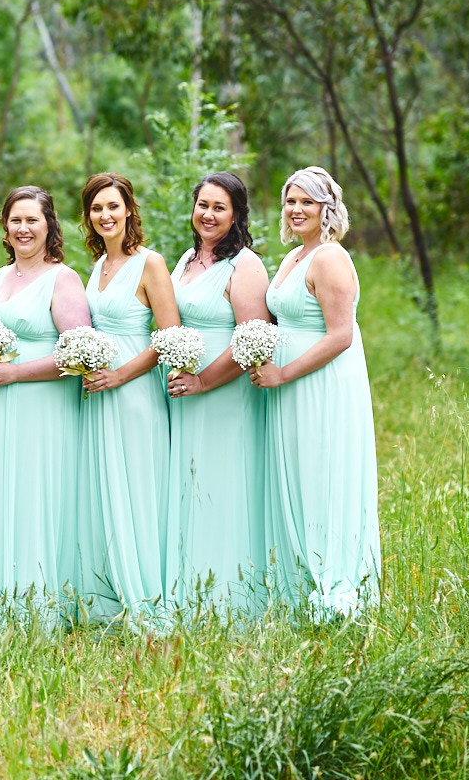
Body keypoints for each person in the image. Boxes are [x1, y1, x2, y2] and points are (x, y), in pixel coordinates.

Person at [0, 186, 90, 618]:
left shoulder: (62, 278)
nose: (24, 228)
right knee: (0, 491)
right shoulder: (1, 277)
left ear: (49, 225)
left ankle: (40, 604)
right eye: (15, 220)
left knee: (34, 495)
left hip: (42, 407)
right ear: (5, 229)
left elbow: (79, 353)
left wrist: (17, 372)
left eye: (32, 219)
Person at [254, 166, 381, 618]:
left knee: (324, 474)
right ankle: (301, 576)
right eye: (291, 201)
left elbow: (340, 335)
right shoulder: (293, 258)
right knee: (300, 475)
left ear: (327, 208)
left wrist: (284, 374)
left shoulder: (330, 257)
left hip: (321, 384)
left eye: (307, 201)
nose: (297, 209)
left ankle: (336, 587)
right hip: (287, 386)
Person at [73, 172, 179, 627]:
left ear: (129, 209)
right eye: (97, 209)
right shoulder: (97, 268)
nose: (105, 216)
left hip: (135, 393)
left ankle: (148, 594)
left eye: (113, 206)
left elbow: (169, 335)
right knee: (104, 487)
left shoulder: (150, 263)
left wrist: (120, 375)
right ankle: (110, 595)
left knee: (137, 486)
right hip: (99, 394)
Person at [164, 171, 271, 616]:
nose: (208, 215)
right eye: (203, 205)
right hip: (182, 391)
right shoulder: (186, 258)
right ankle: (186, 586)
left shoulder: (244, 265)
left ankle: (229, 597)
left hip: (222, 393)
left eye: (219, 207)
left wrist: (204, 380)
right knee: (188, 483)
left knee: (220, 484)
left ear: (236, 214)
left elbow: (253, 339)